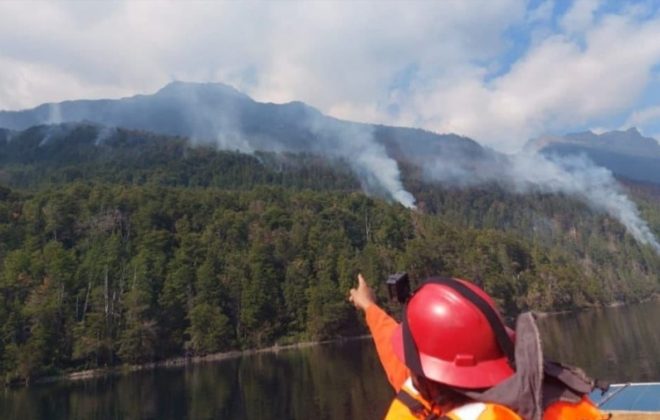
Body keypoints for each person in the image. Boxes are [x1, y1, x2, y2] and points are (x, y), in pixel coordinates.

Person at [349, 273, 607, 420]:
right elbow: (402, 357)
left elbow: (407, 367)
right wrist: (371, 308)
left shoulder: (422, 398)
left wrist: (368, 306)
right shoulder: (565, 406)